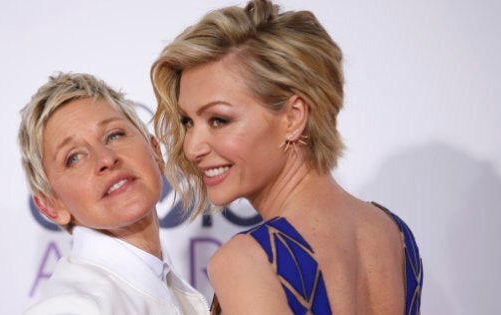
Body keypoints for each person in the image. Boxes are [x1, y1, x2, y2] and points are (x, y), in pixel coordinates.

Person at [151, 0, 423, 314]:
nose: (192, 147)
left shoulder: (247, 260)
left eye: (219, 120)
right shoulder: (393, 232)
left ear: (293, 117)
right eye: (188, 122)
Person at [18, 72, 209, 315]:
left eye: (114, 135)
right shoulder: (70, 308)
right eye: (74, 158)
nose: (106, 159)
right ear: (50, 205)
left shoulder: (170, 289)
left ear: (156, 153)